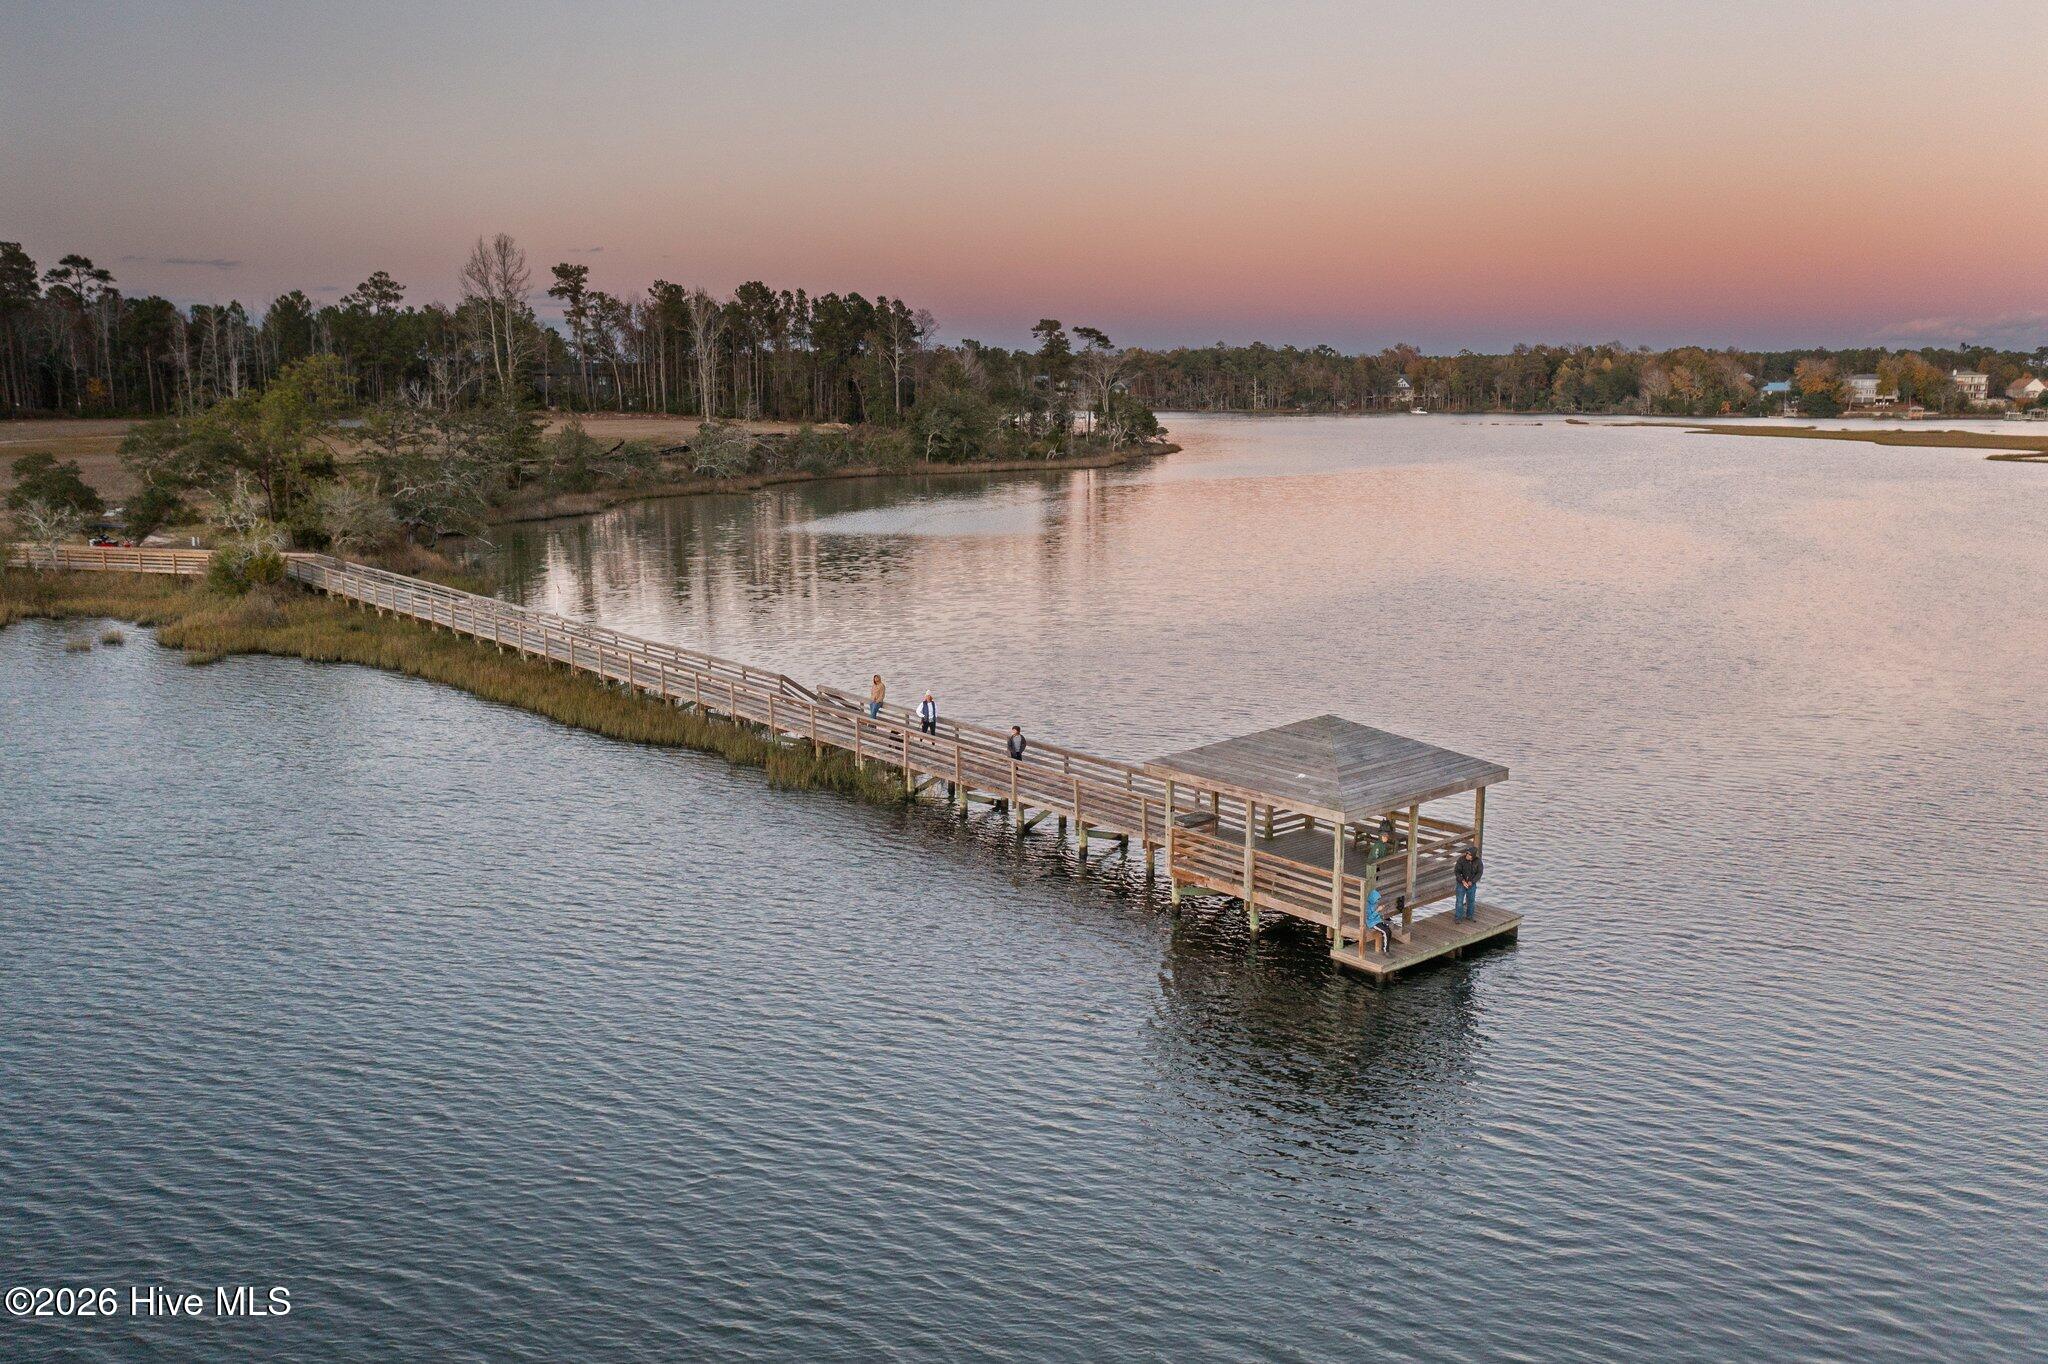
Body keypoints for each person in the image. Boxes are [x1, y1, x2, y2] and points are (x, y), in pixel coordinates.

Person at [1454, 846, 1483, 921]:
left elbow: (1479, 873)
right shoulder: (1461, 860)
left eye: (1469, 854)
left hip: (1471, 884)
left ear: (1473, 856)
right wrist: (1462, 881)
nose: (1467, 855)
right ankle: (1458, 918)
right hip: (1461, 883)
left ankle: (1469, 916)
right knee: (1459, 901)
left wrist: (1472, 882)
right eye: (1467, 853)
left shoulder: (1478, 862)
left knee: (1471, 901)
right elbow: (1456, 872)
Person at [1363, 886, 1391, 954]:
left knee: (1388, 930)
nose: (1378, 901)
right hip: (1372, 923)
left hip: (1378, 920)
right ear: (1373, 898)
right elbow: (1369, 918)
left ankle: (1386, 946)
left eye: (1378, 899)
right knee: (1386, 931)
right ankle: (1385, 950)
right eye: (1377, 899)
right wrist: (1378, 910)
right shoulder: (1367, 906)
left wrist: (1380, 909)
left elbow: (1376, 912)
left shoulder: (1375, 903)